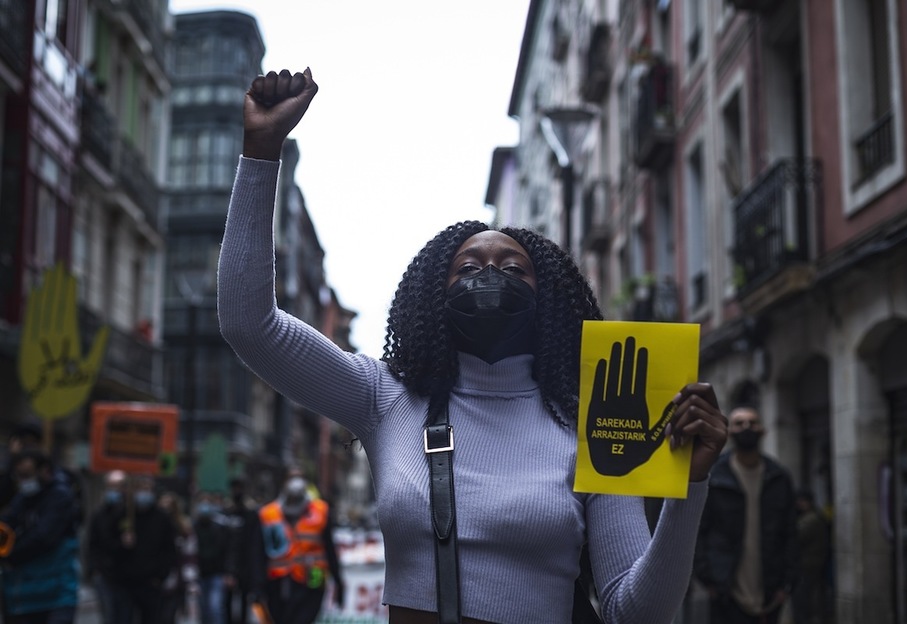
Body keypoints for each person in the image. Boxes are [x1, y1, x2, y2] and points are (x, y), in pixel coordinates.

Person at [217, 68, 729, 624]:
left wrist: (690, 487)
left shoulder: (593, 421)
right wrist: (262, 153)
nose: (491, 276)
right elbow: (250, 326)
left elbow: (636, 613)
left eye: (514, 268)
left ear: (551, 300)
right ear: (432, 298)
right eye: (468, 268)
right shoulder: (384, 395)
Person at [694, 405, 799, 624]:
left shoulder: (778, 477)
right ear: (729, 431)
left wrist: (787, 583)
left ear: (762, 430)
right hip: (726, 592)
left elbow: (790, 533)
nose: (746, 428)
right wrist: (708, 580)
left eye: (752, 423)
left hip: (770, 593)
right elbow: (699, 530)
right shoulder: (714, 477)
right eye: (739, 423)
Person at [0, 449, 80, 623]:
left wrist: (9, 556)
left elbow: (43, 538)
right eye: (19, 475)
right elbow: (6, 525)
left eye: (27, 474)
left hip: (55, 595)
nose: (23, 479)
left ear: (44, 471)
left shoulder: (60, 496)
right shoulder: (21, 499)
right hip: (22, 596)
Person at [258, 469, 345, 623]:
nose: (295, 483)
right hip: (279, 580)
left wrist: (338, 580)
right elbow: (259, 551)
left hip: (314, 577)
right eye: (292, 478)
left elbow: (329, 549)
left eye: (300, 478)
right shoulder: (268, 513)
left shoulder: (320, 511)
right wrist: (256, 584)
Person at [108, 475, 178, 624]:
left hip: (151, 583)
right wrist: (122, 544)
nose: (143, 493)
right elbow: (108, 545)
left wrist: (160, 576)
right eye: (139, 489)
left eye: (146, 489)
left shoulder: (162, 518)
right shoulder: (122, 514)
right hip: (124, 583)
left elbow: (170, 550)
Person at [86, 470, 127, 624]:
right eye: (111, 487)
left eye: (117, 487)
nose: (114, 491)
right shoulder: (99, 515)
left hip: (127, 575)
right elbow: (92, 543)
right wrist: (93, 569)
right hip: (104, 573)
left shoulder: (130, 514)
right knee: (108, 615)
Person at [224, 476, 265, 624]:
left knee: (243, 606)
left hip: (245, 568)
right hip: (226, 567)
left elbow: (254, 544)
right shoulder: (226, 512)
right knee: (226, 606)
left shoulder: (251, 514)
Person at [192, 491, 235, 624]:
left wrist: (229, 572)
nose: (205, 505)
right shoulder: (192, 528)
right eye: (202, 502)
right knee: (203, 611)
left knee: (215, 608)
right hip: (199, 575)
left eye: (208, 502)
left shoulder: (220, 528)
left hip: (217, 574)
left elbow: (228, 551)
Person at [157, 491, 198, 624]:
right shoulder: (153, 525)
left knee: (169, 617)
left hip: (176, 581)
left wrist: (190, 581)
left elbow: (189, 555)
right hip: (155, 580)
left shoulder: (183, 529)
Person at [792, 489, 830, 624]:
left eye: (802, 501)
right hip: (809, 564)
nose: (799, 504)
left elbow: (796, 538)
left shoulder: (811, 519)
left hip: (808, 565)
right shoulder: (808, 518)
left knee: (803, 599)